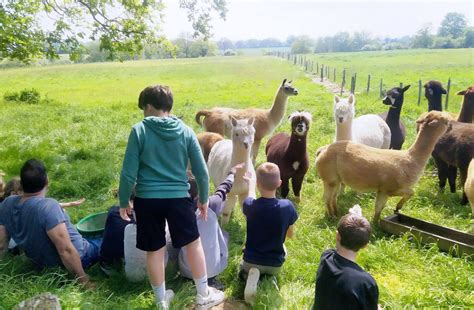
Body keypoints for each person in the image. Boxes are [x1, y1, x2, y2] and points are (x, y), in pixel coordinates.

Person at [118, 85, 224, 309]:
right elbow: (201, 172)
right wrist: (203, 199)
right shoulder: (185, 131)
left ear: (148, 106)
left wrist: (124, 201)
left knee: (154, 250)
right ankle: (204, 294)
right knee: (192, 245)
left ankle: (161, 301)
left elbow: (128, 173)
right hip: (178, 198)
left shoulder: (139, 131)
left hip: (147, 200)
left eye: (143, 108)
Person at [0, 159, 97, 288]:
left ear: (21, 184)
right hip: (80, 256)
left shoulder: (7, 203)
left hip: (41, 263)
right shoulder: (47, 207)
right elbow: (66, 250)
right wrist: (84, 281)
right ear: (47, 181)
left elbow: (2, 244)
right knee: (105, 238)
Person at [179, 163, 245, 289]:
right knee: (224, 235)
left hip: (186, 269)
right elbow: (223, 189)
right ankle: (211, 281)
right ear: (200, 190)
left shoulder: (177, 209)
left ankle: (187, 279)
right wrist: (232, 173)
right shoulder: (212, 204)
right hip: (211, 268)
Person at [240, 162, 298, 304]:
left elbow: (251, 198)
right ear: (279, 183)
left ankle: (247, 275)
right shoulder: (287, 206)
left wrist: (251, 185)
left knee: (243, 265)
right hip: (275, 263)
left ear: (258, 184)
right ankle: (270, 278)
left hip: (250, 261)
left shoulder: (250, 206)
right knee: (283, 248)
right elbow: (291, 235)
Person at [313, 205, 379, 310]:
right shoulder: (365, 282)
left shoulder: (326, 256)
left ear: (337, 236)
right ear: (365, 245)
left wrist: (353, 221)